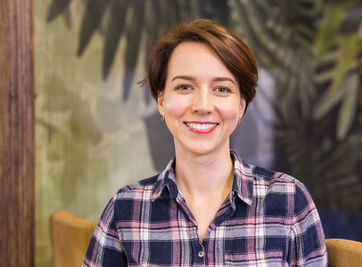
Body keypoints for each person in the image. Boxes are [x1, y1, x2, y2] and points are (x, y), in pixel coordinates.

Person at [82, 19, 327, 266]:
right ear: (161, 102)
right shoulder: (125, 210)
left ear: (241, 106)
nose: (202, 106)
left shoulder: (289, 201)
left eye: (221, 89)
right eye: (184, 86)